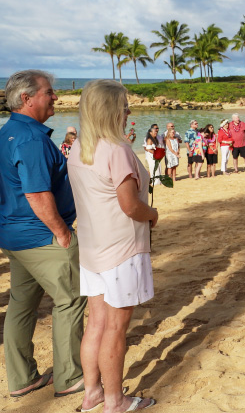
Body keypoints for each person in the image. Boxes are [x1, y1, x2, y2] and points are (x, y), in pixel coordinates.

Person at [66, 80, 157, 412]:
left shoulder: (80, 147)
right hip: (121, 249)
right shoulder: (116, 150)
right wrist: (153, 215)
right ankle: (115, 401)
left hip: (92, 248)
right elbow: (130, 206)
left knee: (96, 322)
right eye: (124, 105)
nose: (128, 111)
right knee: (115, 328)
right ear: (110, 110)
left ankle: (92, 392)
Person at [0, 70, 86, 399]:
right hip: (40, 236)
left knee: (21, 305)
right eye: (48, 92)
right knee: (71, 299)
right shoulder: (31, 139)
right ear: (27, 99)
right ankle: (70, 377)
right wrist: (62, 233)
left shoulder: (7, 133)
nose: (55, 97)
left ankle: (22, 378)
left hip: (14, 235)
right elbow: (36, 194)